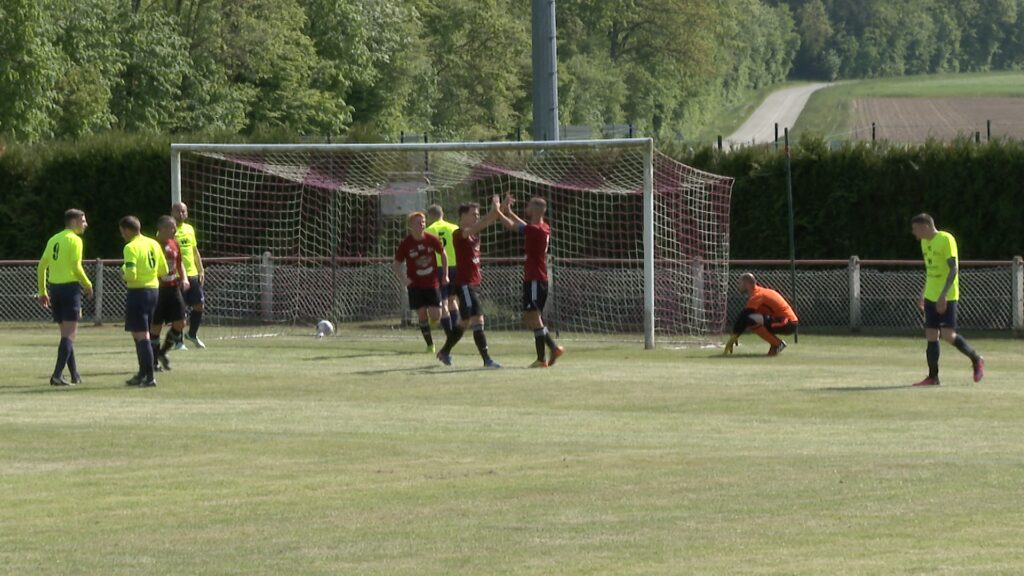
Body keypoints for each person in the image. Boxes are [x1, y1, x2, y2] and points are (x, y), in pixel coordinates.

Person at [910, 213, 984, 386]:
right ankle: (933, 377)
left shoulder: (946, 239)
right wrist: (923, 293)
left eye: (915, 229)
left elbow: (953, 269)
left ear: (925, 226)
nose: (914, 233)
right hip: (931, 296)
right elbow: (931, 272)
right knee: (931, 335)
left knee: (948, 335)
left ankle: (976, 359)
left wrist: (943, 295)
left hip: (948, 295)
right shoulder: (924, 243)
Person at [497, 194, 565, 368]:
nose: (525, 208)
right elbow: (522, 224)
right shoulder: (542, 227)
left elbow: (512, 226)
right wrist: (509, 211)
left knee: (534, 317)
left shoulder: (535, 230)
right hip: (534, 278)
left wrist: (497, 210)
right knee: (531, 318)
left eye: (528, 206)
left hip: (536, 279)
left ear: (534, 209)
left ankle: (550, 350)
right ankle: (543, 357)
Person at [436, 196, 504, 368]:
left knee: (466, 322)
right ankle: (487, 360)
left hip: (473, 284)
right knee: (476, 319)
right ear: (463, 216)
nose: (476, 216)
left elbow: (486, 221)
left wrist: (499, 210)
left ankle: (444, 351)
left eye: (477, 214)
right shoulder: (459, 234)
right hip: (465, 284)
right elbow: (483, 222)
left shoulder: (475, 234)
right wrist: (494, 210)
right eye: (473, 214)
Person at [36, 209, 93, 386]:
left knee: (66, 334)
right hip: (70, 289)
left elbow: (41, 266)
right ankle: (57, 375)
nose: (86, 224)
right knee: (69, 334)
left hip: (55, 289)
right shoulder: (75, 240)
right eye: (83, 221)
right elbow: (76, 267)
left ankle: (74, 374)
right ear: (74, 222)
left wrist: (43, 291)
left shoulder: (54, 239)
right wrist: (88, 284)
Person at [120, 216, 168, 387]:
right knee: (140, 334)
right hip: (153, 291)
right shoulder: (153, 244)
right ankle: (142, 373)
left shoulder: (130, 247)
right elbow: (164, 269)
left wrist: (124, 270)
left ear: (126, 230)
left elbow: (130, 274)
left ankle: (149, 377)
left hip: (138, 292)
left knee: (142, 336)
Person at [393, 212, 448, 352]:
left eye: (423, 221)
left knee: (436, 315)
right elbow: (396, 264)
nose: (422, 224)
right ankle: (430, 345)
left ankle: (431, 323)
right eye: (418, 222)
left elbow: (443, 254)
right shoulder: (406, 243)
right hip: (415, 285)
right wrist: (404, 278)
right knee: (422, 314)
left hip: (432, 283)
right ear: (411, 225)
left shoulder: (431, 239)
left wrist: (445, 275)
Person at [150, 216, 190, 372]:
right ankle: (153, 361)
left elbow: (179, 264)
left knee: (180, 323)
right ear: (162, 229)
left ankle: (162, 352)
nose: (174, 230)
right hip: (158, 289)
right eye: (171, 227)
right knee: (156, 326)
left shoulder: (175, 244)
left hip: (173, 288)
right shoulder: (152, 245)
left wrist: (184, 278)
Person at [724, 273, 799, 356]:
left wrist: (734, 336)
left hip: (787, 322)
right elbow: (743, 317)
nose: (738, 286)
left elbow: (744, 317)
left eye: (739, 283)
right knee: (752, 318)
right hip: (783, 321)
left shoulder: (757, 295)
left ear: (747, 284)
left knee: (751, 319)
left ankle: (778, 344)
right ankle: (774, 345)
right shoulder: (757, 293)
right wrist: (735, 334)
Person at [172, 202, 206, 349]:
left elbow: (194, 250)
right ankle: (178, 341)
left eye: (184, 211)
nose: (181, 214)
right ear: (172, 212)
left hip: (192, 274)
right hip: (177, 276)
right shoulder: (168, 229)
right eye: (178, 211)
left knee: (199, 306)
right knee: (179, 310)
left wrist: (201, 270)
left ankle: (192, 334)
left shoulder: (189, 229)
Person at [425, 204, 460, 338]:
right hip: (455, 267)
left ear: (430, 216)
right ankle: (456, 331)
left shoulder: (429, 230)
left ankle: (450, 334)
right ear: (442, 214)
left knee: (443, 302)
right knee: (453, 299)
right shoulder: (454, 228)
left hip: (439, 268)